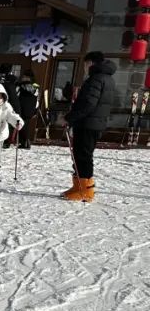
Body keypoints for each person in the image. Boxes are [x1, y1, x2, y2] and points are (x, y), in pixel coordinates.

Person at [62, 51, 116, 202]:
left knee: (83, 156)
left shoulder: (96, 79)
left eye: (85, 64)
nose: (84, 68)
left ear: (91, 63)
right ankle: (78, 186)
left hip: (88, 123)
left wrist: (69, 118)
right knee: (81, 155)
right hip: (93, 123)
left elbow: (88, 104)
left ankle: (86, 190)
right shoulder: (106, 78)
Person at [14, 72, 40, 149]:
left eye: (25, 77)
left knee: (23, 126)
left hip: (23, 108)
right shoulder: (35, 86)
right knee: (25, 125)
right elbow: (37, 98)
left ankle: (25, 142)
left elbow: (17, 95)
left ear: (29, 78)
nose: (23, 78)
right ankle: (25, 142)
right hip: (30, 109)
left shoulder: (21, 85)